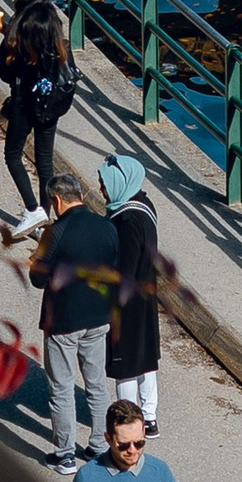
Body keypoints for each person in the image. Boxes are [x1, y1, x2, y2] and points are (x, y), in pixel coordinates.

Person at [29, 179, 120, 473]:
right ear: (79, 195)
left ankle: (65, 453)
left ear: (56, 200)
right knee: (96, 385)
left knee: (62, 387)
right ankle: (99, 445)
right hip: (98, 317)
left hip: (63, 320)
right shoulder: (107, 227)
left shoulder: (54, 232)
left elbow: (38, 278)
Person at [0, 0, 76, 234]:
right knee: (44, 162)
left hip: (24, 102)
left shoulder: (21, 26)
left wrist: (6, 34)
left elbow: (5, 69)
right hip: (50, 103)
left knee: (13, 154)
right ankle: (45, 218)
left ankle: (33, 210)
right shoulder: (53, 24)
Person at [98, 154, 162, 433]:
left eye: (104, 182)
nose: (101, 188)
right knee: (146, 357)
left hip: (126, 302)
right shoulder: (145, 205)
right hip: (146, 295)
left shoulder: (126, 221)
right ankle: (149, 415)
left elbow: (124, 269)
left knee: (124, 361)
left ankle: (127, 418)